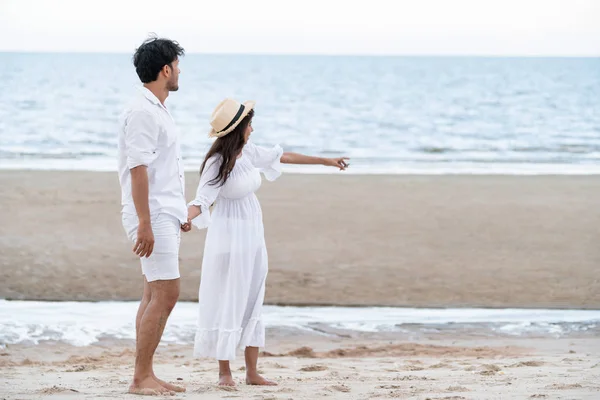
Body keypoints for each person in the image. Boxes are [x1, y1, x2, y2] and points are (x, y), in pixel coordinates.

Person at [185, 98, 349, 386]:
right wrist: (185, 219)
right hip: (227, 236)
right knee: (229, 296)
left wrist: (326, 161)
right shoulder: (217, 162)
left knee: (252, 296)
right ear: (239, 129)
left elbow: (283, 157)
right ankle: (225, 373)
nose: (253, 129)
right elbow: (202, 200)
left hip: (252, 234)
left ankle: (251, 372)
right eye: (249, 124)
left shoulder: (248, 152)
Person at [117, 36, 191, 396]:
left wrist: (180, 211)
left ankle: (145, 373)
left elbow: (165, 169)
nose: (179, 71)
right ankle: (140, 377)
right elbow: (139, 169)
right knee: (166, 292)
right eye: (177, 65)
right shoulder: (143, 111)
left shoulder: (157, 108)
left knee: (152, 293)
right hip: (152, 214)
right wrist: (145, 223)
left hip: (164, 211)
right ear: (165, 69)